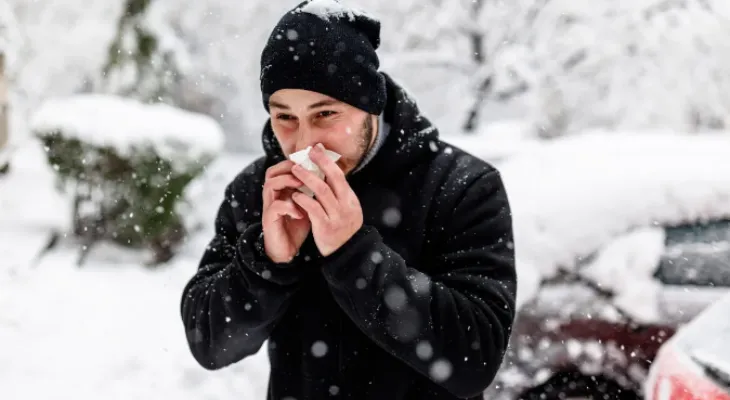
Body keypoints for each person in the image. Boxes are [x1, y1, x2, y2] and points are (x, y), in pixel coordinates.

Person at [180, 0, 517, 398]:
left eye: (325, 115)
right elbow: (210, 345)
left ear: (369, 108)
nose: (303, 142)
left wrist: (353, 254)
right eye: (285, 117)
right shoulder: (260, 189)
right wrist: (266, 261)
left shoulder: (462, 187)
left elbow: (473, 363)